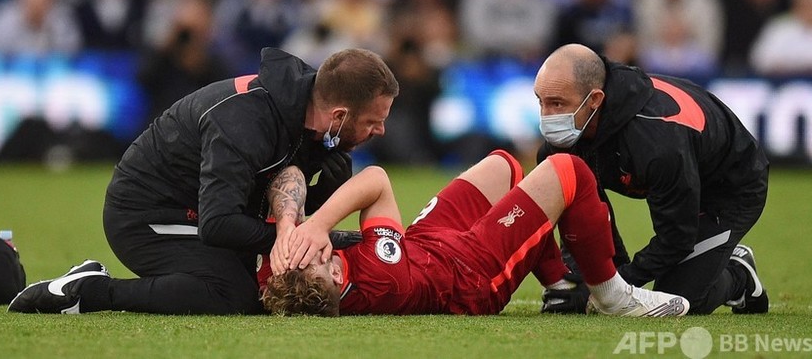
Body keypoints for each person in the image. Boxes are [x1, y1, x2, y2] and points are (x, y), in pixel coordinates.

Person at [8, 47, 399, 315]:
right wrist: (298, 240)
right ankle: (90, 291)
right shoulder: (246, 123)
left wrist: (318, 206)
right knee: (235, 293)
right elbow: (219, 223)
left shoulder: (305, 118)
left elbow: (275, 198)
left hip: (197, 210)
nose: (381, 131)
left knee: (271, 279)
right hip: (144, 216)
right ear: (339, 115)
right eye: (373, 121)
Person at [259, 152, 689, 317]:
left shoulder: (288, 282)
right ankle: (612, 295)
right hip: (469, 274)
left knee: (505, 166)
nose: (312, 246)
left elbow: (287, 179)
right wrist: (317, 224)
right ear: (336, 276)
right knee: (567, 171)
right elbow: (376, 179)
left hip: (427, 245)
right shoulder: (378, 274)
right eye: (318, 253)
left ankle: (560, 288)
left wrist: (288, 229)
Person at [534, 44, 769, 315]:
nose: (546, 116)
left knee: (678, 298)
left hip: (729, 186)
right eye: (541, 101)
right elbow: (583, 213)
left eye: (557, 104)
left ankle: (739, 274)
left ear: (594, 100)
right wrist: (591, 278)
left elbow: (676, 237)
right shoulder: (565, 137)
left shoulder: (657, 141)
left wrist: (618, 284)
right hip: (679, 169)